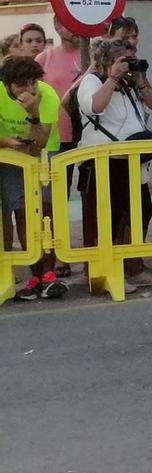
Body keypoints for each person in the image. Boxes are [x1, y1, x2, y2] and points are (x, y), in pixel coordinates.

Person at [74, 37, 152, 291]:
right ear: (106, 60)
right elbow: (95, 106)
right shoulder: (91, 81)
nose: (127, 62)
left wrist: (140, 83)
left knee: (141, 211)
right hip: (104, 161)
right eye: (122, 58)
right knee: (109, 217)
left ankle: (132, 266)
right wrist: (113, 78)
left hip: (133, 161)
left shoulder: (131, 84)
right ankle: (108, 271)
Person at [1, 55, 63, 301]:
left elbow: (39, 144)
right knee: (23, 213)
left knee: (46, 215)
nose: (29, 90)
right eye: (21, 85)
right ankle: (35, 275)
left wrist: (33, 113)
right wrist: (9, 143)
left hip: (44, 157)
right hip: (10, 157)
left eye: (32, 83)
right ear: (7, 85)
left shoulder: (47, 96)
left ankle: (49, 274)